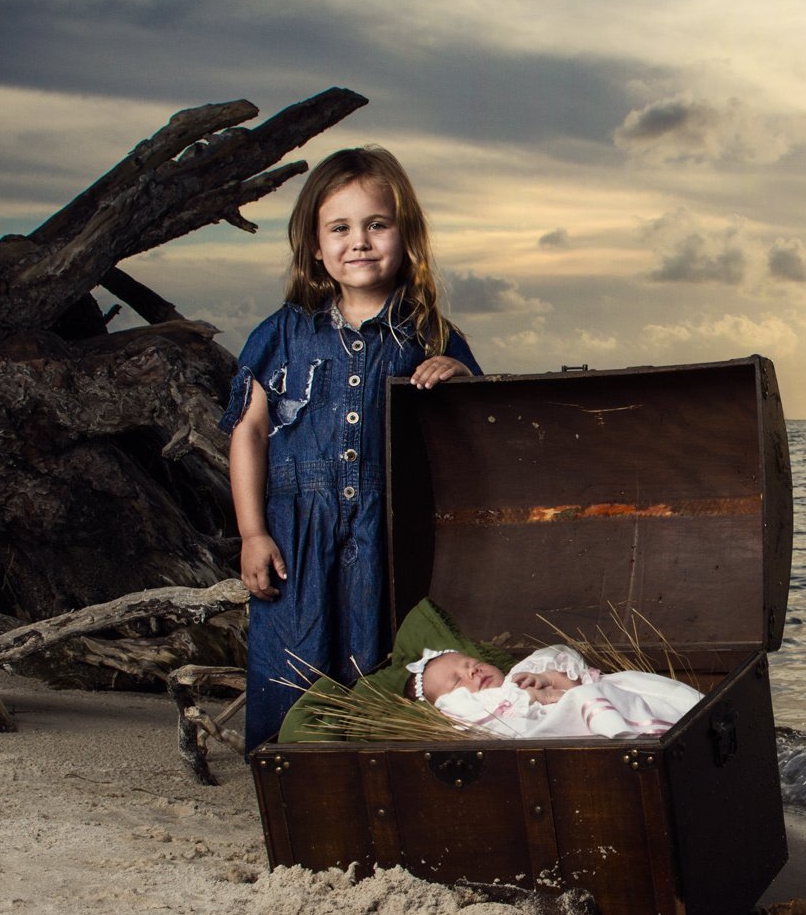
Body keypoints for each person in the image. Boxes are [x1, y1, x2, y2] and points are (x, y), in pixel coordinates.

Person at [222, 146, 480, 749]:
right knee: (292, 655)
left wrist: (459, 377)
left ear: (404, 235)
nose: (359, 242)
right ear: (315, 245)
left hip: (387, 529)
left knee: (380, 655)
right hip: (295, 532)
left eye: (376, 225)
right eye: (340, 228)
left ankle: (374, 777)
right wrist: (252, 532)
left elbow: (480, 428)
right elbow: (249, 432)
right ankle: (286, 777)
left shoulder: (429, 334)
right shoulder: (280, 333)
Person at [408, 645, 702, 739]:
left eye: (471, 663)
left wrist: (545, 679)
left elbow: (574, 676)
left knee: (589, 694)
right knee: (583, 701)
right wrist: (529, 698)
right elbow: (467, 711)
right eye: (457, 680)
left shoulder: (522, 672)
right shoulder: (480, 712)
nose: (471, 672)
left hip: (619, 700)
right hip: (586, 737)